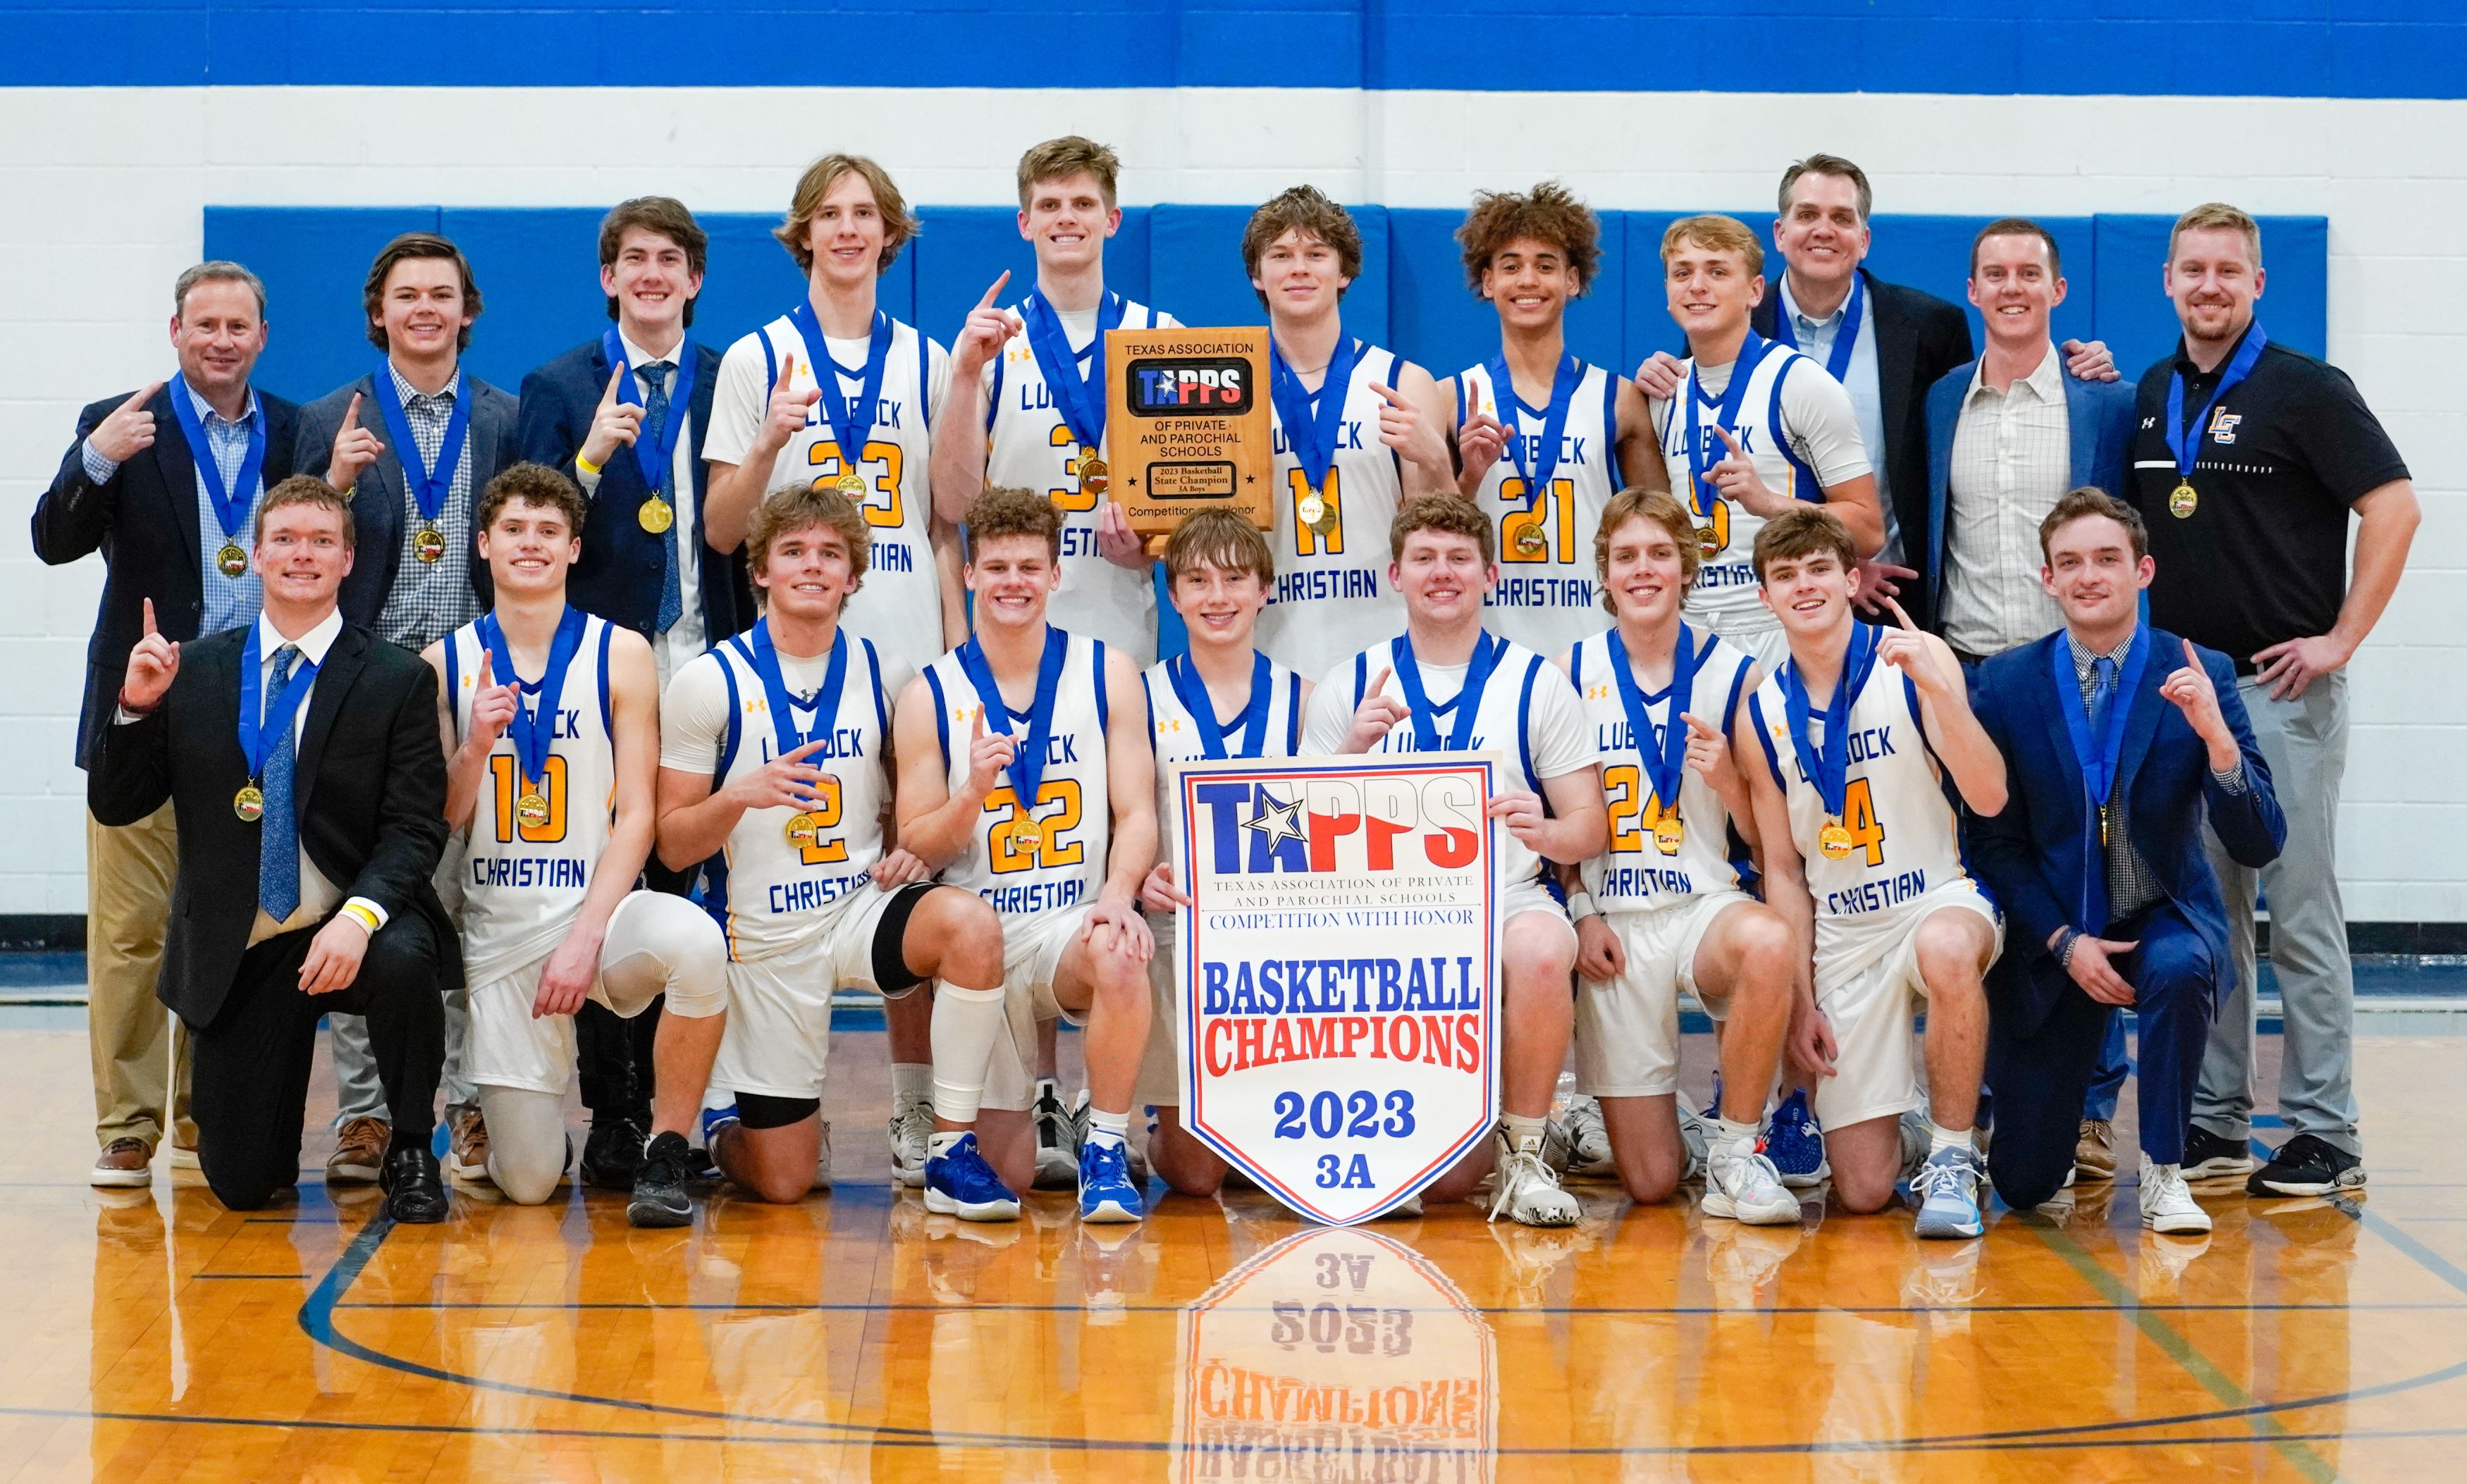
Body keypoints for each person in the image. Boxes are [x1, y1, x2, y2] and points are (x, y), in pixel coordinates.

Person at [2125, 204, 2418, 1197]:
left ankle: (2326, 1132)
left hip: (2280, 696)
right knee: (2211, 914)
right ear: (2168, 280)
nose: (2209, 286)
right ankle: (2214, 1123)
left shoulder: (2307, 389)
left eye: (2228, 272)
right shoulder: (2153, 392)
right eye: (2193, 270)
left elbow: (2396, 505)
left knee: (2297, 913)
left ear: (2257, 284)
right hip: (2187, 699)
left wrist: (2342, 638)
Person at [88, 475, 453, 1222]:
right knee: (243, 1186)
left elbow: (416, 828)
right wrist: (132, 707)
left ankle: (412, 1145)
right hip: (246, 942)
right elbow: (117, 803)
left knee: (404, 956)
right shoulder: (191, 672)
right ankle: (266, 1133)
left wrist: (359, 916)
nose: (302, 556)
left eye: (323, 542)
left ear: (349, 560)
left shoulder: (396, 679)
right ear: (254, 555)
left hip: (351, 923)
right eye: (284, 539)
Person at [700, 152, 962, 1174]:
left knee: (912, 873)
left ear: (889, 234)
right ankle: (741, 1086)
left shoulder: (930, 359)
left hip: (905, 652)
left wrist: (950, 654)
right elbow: (725, 530)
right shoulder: (755, 358)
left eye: (866, 214)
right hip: (796, 666)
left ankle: (913, 1105)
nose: (848, 230)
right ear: (802, 232)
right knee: (767, 866)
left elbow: (946, 526)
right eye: (830, 214)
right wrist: (767, 443)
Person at [657, 483, 1015, 1214]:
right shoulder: (706, 682)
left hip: (855, 906)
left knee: (969, 926)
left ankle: (948, 1146)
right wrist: (736, 796)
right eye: (793, 552)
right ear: (761, 571)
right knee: (787, 1183)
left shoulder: (882, 673)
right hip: (760, 936)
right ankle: (728, 1123)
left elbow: (903, 801)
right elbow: (669, 845)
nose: (811, 567)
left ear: (854, 577)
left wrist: (903, 852)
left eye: (830, 554)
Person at [34, 261, 300, 1188]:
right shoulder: (123, 421)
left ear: (261, 337)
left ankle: (200, 1110)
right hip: (144, 706)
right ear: (176, 332)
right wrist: (94, 457)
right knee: (131, 926)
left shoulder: (297, 429)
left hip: (255, 717)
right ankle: (127, 1125)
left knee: (226, 919)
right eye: (205, 324)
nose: (221, 339)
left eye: (239, 325)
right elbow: (53, 540)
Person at [514, 196, 754, 1189]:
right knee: (612, 882)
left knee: (700, 880)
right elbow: (526, 520)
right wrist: (591, 457)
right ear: (609, 277)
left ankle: (691, 1115)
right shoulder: (559, 382)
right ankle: (614, 1115)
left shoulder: (730, 375)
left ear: (695, 278)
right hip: (605, 658)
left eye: (671, 259)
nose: (652, 274)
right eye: (633, 260)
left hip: (709, 650)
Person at [1966, 490, 2284, 1233]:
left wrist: (2215, 736)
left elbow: (2258, 840)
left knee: (2178, 967)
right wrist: (2060, 941)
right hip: (2053, 935)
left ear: (2141, 571)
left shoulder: (2197, 668)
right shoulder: (2005, 683)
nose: (2088, 576)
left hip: (2156, 918)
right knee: (2021, 1182)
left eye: (2106, 559)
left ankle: (2165, 1170)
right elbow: (1994, 847)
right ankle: (2037, 1126)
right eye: (2068, 562)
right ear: (2045, 580)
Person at [424, 464, 732, 1223]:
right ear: (484, 545)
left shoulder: (620, 652)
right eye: (515, 529)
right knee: (529, 1185)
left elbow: (637, 817)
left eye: (548, 531)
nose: (531, 543)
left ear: (572, 549)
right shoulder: (445, 661)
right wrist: (475, 749)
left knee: (696, 941)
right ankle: (506, 1131)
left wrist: (585, 935)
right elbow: (446, 821)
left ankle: (664, 1146)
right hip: (499, 930)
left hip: (600, 918)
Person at [1303, 494, 1610, 1226]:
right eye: (1424, 559)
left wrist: (1545, 830)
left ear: (1490, 574)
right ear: (1393, 575)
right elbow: (1299, 841)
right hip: (1380, 909)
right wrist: (1348, 755)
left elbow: (1589, 828)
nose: (1441, 574)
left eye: (1457, 559)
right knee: (1443, 1187)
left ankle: (1526, 1152)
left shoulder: (1537, 681)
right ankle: (1373, 1139)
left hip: (1503, 900)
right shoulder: (1349, 683)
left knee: (1543, 946)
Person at [1635, 155, 2115, 622]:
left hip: (1889, 588)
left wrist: (2074, 368)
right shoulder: (1729, 313)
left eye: (1841, 218)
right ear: (1781, 234)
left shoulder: (1931, 327)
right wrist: (1654, 380)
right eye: (1807, 215)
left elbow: (1970, 432)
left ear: (1864, 239)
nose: (1824, 229)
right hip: (1767, 590)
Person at [294, 229, 522, 1189]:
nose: (424, 309)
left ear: (466, 311)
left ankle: (469, 1101)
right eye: (406, 296)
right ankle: (365, 1113)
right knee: (359, 890)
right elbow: (292, 532)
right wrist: (336, 477)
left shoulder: (507, 417)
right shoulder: (322, 418)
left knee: (468, 893)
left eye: (441, 294)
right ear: (378, 313)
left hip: (472, 678)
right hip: (364, 681)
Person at [1918, 217, 2142, 1177]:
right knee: (1980, 877)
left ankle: (2091, 1102)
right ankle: (1989, 1093)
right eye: (1995, 273)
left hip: (2068, 670)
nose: (2012, 286)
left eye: (2030, 273)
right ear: (1972, 289)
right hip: (1967, 673)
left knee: (2086, 877)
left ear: (2056, 290)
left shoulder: (2104, 399)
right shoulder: (1938, 403)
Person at [894, 486, 1159, 1223]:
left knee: (1120, 950)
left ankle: (1105, 1145)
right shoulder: (928, 693)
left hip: (1063, 932)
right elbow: (916, 841)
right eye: (997, 566)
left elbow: (1137, 811)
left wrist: (1117, 895)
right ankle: (1008, 1126)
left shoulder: (1107, 672)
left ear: (1054, 575)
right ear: (971, 575)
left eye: (1029, 567)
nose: (1014, 582)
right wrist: (971, 794)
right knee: (1009, 1177)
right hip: (976, 949)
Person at [1739, 507, 2006, 1236]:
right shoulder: (1758, 712)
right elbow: (1783, 875)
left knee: (1947, 950)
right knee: (1859, 1190)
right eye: (1784, 575)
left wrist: (1943, 693)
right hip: (1845, 935)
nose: (1803, 586)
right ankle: (1916, 1127)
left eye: (1819, 569)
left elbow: (1988, 796)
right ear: (1763, 596)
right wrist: (1799, 1000)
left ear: (1851, 580)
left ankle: (1952, 1157)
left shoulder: (1912, 660)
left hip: (1936, 900)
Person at [1563, 489, 1800, 1225]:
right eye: (1626, 556)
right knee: (1651, 1182)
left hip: (1702, 904)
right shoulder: (1564, 675)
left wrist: (1728, 780)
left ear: (1685, 568)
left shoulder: (1737, 675)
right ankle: (1676, 1134)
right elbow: (1555, 821)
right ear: (1603, 573)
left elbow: (1768, 838)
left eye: (1659, 555)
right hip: (1614, 921)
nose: (1643, 570)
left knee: (1767, 942)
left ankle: (1736, 1147)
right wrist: (1578, 912)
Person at [932, 135, 1180, 664]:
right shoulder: (989, 342)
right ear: (1026, 224)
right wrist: (965, 374)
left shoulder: (1161, 338)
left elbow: (1193, 500)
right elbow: (953, 504)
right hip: (1013, 619)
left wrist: (1151, 548)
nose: (1066, 219)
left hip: (1122, 621)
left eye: (1083, 204)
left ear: (1112, 220)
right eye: (1049, 205)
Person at [1129, 511, 1311, 1197]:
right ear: (1171, 596)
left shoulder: (1305, 701)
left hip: (1277, 952)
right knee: (1199, 1177)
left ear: (1265, 588)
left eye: (1234, 578)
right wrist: (1138, 876)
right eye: (1197, 581)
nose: (1216, 597)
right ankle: (1141, 1125)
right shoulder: (1138, 700)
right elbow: (1122, 820)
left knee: (1268, 1162)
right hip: (1177, 944)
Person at [1644, 214, 1882, 677]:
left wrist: (1770, 504)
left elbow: (1869, 529)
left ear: (1754, 291)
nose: (1697, 286)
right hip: (1689, 630)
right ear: (1668, 293)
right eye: (1682, 273)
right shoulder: (1662, 394)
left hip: (1781, 625)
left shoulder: (1801, 384)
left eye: (1717, 271)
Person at [1444, 182, 1666, 662]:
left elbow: (1662, 527)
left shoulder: (1620, 399)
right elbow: (1428, 533)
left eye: (1545, 265)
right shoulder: (1452, 399)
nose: (1528, 280)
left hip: (1596, 644)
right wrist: (1468, 478)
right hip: (1486, 647)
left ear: (1572, 279)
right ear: (1487, 282)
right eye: (1511, 266)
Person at [1245, 187, 1456, 683]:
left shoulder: (1404, 382)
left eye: (1316, 254)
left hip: (1385, 652)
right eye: (1281, 255)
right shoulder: (1229, 385)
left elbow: (1447, 533)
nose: (1299, 268)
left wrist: (1439, 464)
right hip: (1267, 652)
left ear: (1344, 272)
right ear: (1258, 273)